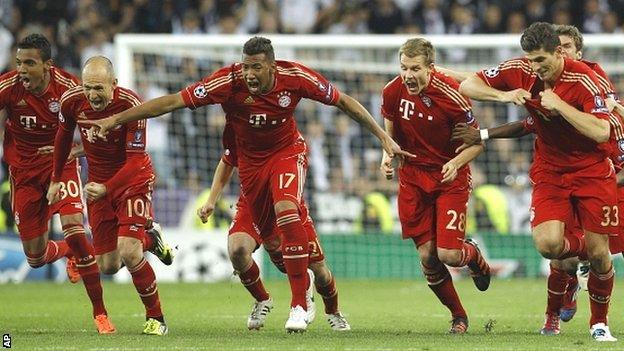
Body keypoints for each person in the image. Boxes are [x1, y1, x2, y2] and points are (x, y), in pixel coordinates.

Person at [76, 36, 412, 332]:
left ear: (271, 66)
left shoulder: (295, 76)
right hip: (251, 171)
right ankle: (275, 295)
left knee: (288, 213)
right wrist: (118, 118)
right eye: (245, 66)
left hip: (287, 154)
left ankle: (300, 305)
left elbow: (343, 101)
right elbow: (174, 102)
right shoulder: (227, 83)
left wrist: (383, 137)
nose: (249, 74)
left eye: (255, 67)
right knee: (270, 253)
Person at [452, 23, 624, 336]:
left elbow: (602, 131)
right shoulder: (521, 69)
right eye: (531, 60)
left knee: (599, 256)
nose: (535, 67)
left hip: (592, 170)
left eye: (541, 60)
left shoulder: (588, 79)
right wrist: (503, 95)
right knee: (549, 246)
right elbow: (469, 85)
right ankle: (582, 258)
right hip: (550, 171)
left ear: (560, 53)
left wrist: (561, 106)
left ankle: (599, 323)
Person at [47, 56, 174, 336]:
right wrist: (56, 179)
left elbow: (135, 160)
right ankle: (151, 239)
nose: (92, 95)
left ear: (113, 85)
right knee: (109, 265)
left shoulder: (130, 105)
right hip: (98, 186)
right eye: (88, 88)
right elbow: (63, 138)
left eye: (99, 88)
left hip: (133, 181)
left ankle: (156, 318)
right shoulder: (71, 102)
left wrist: (107, 187)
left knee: (129, 251)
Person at [0, 34, 113, 334]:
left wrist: (75, 152)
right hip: (22, 173)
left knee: (75, 228)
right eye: (19, 62)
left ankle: (100, 313)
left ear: (47, 65)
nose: (21, 69)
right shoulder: (9, 87)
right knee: (35, 257)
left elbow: (95, 130)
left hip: (60, 166)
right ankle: (69, 251)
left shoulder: (69, 88)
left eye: (29, 63)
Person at [379, 37, 490, 334]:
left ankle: (474, 256)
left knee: (449, 255)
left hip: (448, 177)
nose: (408, 75)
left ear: (430, 67)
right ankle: (458, 316)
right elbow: (390, 139)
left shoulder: (453, 96)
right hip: (414, 179)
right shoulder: (392, 91)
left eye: (415, 68)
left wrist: (455, 163)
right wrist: (387, 157)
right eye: (404, 68)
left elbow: (477, 144)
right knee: (428, 256)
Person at [196, 122, 351, 331]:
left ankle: (333, 312)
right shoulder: (239, 124)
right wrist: (211, 200)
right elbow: (227, 160)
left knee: (320, 272)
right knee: (237, 249)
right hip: (252, 203)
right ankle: (263, 299)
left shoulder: (281, 131)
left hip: (286, 204)